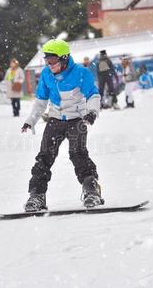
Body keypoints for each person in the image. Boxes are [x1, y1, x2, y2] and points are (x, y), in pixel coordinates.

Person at [20, 39, 102, 212]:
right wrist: (31, 120)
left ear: (64, 58)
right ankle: (36, 196)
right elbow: (41, 100)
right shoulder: (46, 74)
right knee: (44, 157)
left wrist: (92, 112)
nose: (50, 65)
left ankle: (92, 191)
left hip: (77, 120)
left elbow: (93, 94)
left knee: (77, 154)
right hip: (55, 119)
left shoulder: (81, 72)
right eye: (47, 61)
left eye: (53, 61)